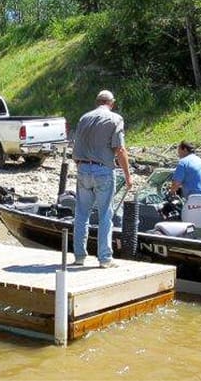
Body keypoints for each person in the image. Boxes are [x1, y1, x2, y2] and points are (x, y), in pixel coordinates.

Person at [70, 90, 132, 268]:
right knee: (105, 214)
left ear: (97, 102)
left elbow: (75, 148)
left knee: (81, 214)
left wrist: (82, 165)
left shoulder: (84, 118)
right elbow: (119, 150)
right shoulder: (115, 119)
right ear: (111, 103)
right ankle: (105, 258)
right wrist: (128, 176)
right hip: (103, 171)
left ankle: (79, 256)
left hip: (82, 168)